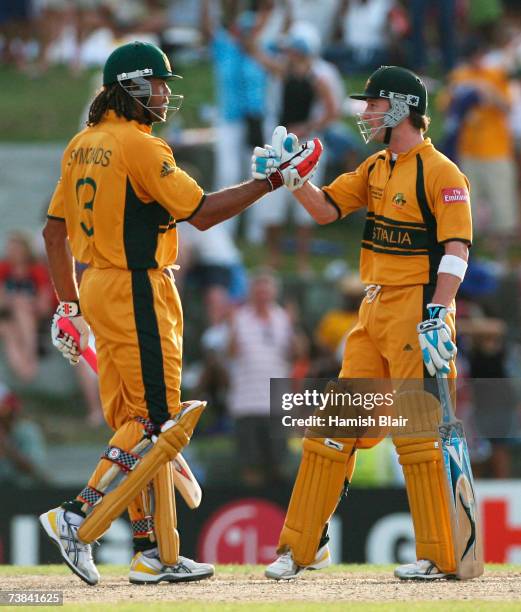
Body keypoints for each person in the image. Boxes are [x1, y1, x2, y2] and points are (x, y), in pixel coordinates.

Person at [39, 41, 321, 586]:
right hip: (138, 287)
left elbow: (54, 232)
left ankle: (153, 552)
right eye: (160, 84)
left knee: (133, 423)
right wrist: (271, 182)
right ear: (135, 86)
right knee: (159, 423)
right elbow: (204, 214)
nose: (167, 94)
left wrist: (69, 305)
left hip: (97, 284)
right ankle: (78, 514)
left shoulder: (81, 144)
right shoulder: (143, 147)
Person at [253, 65, 479, 580]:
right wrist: (294, 180)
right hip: (373, 310)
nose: (367, 113)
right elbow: (327, 210)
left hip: (416, 309)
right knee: (334, 427)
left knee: (418, 437)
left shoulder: (441, 171)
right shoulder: (376, 166)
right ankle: (301, 548)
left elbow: (457, 251)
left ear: (401, 108)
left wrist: (439, 311)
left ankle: (441, 555)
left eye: (375, 104)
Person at [0, 231, 55, 382]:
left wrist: (27, 303)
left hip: (33, 319)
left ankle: (27, 364)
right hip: (7, 317)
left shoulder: (36, 270)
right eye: (10, 248)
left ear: (25, 251)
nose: (13, 252)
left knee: (19, 314)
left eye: (17, 249)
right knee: (8, 327)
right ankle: (27, 368)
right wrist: (13, 300)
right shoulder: (4, 268)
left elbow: (44, 306)